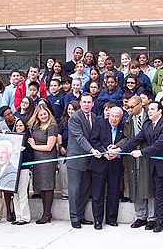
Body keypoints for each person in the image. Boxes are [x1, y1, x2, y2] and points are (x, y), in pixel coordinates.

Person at [112, 101, 163, 234]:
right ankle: (161, 222)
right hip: (156, 167)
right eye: (149, 109)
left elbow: (159, 145)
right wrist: (119, 149)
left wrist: (141, 153)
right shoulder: (147, 126)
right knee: (160, 196)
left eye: (152, 109)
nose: (150, 111)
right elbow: (135, 140)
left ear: (160, 111)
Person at [116, 96, 156, 230]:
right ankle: (140, 216)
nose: (130, 109)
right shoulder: (128, 120)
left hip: (148, 156)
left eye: (132, 107)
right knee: (136, 184)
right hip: (133, 157)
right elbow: (127, 138)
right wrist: (117, 147)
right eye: (128, 107)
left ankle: (152, 218)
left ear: (140, 105)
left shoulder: (149, 117)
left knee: (149, 186)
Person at [66, 92, 101, 228]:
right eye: (84, 102)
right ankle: (74, 218)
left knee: (85, 189)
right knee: (74, 189)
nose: (86, 105)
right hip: (76, 159)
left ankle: (80, 215)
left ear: (92, 104)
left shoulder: (93, 117)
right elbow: (80, 138)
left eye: (89, 102)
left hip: (89, 160)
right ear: (80, 103)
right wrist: (92, 150)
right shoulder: (74, 118)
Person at [89, 107, 124, 230]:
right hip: (100, 163)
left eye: (117, 117)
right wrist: (104, 152)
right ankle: (98, 220)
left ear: (121, 117)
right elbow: (94, 140)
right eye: (112, 116)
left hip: (115, 163)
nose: (114, 119)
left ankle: (112, 219)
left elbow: (126, 141)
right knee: (98, 193)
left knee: (114, 192)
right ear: (108, 115)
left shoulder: (123, 127)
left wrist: (116, 152)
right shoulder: (99, 124)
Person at [27, 104, 58, 224]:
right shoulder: (36, 126)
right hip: (37, 159)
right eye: (41, 115)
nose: (44, 116)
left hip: (47, 158)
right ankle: (46, 212)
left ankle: (46, 214)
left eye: (45, 113)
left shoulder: (52, 126)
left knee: (48, 186)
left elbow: (50, 146)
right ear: (37, 116)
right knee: (41, 187)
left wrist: (35, 146)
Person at [0, 105, 18, 222]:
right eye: (7, 115)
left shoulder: (19, 122)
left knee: (17, 187)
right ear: (3, 117)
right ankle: (9, 211)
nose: (10, 116)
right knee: (7, 187)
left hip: (18, 157)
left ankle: (16, 211)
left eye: (11, 113)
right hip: (6, 159)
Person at [11, 119, 33, 225]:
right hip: (14, 169)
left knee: (22, 193)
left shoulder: (28, 139)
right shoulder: (13, 139)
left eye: (21, 125)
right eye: (17, 126)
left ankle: (25, 217)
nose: (18, 127)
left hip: (24, 170)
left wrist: (23, 150)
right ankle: (18, 216)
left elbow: (31, 157)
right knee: (15, 194)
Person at [58, 101, 80, 200]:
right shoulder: (63, 121)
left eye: (73, 109)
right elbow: (59, 135)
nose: (71, 111)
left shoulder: (80, 121)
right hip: (64, 152)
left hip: (76, 153)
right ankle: (65, 193)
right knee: (64, 173)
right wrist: (60, 146)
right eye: (69, 109)